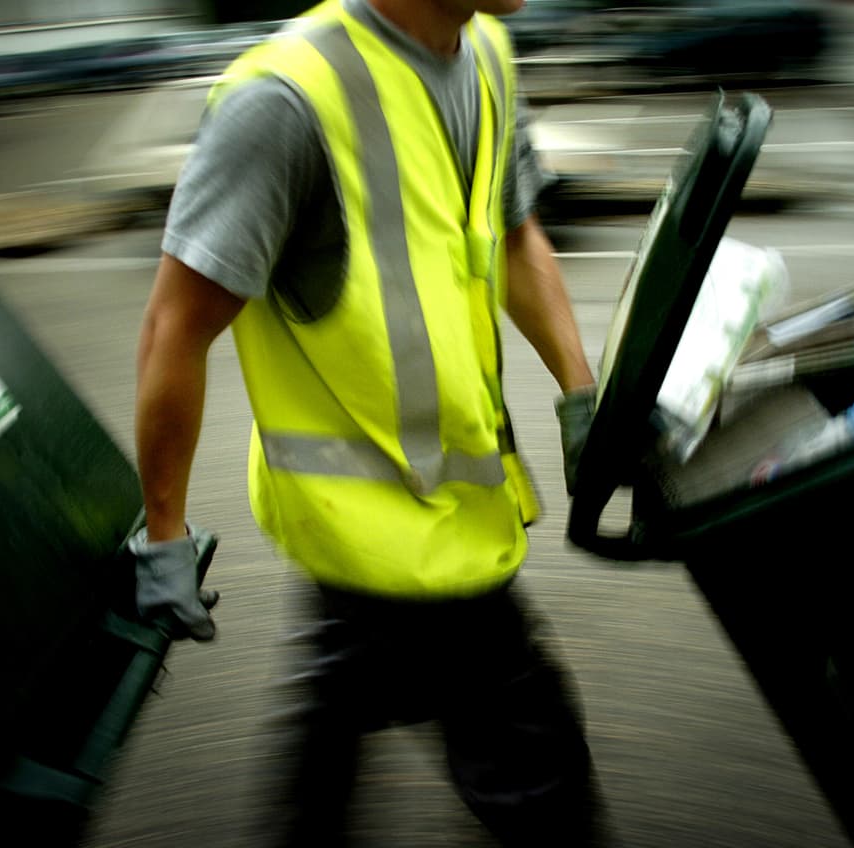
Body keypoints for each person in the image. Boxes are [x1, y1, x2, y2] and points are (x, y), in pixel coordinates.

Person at [129, 0, 604, 844]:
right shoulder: (285, 101)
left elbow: (515, 230)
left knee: (333, 735)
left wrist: (580, 392)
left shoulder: (487, 51)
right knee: (544, 788)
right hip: (405, 548)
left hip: (433, 517)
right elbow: (176, 326)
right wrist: (163, 532)